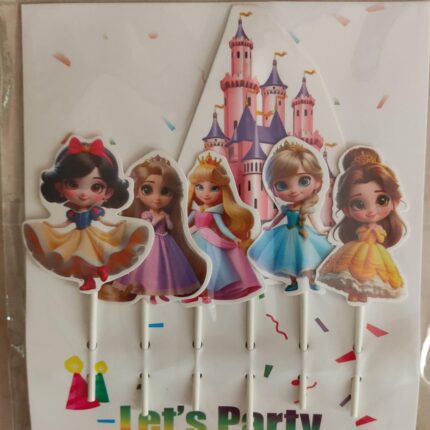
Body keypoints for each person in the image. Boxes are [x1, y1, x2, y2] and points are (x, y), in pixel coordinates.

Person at [23, 136, 148, 291]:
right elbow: (66, 223)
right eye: (73, 184)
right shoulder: (72, 213)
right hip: (75, 236)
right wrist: (52, 227)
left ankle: (100, 271)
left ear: (108, 192)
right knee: (77, 258)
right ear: (59, 187)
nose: (83, 194)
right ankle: (88, 279)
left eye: (96, 187)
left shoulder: (94, 212)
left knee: (99, 253)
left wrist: (116, 225)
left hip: (92, 235)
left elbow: (101, 221)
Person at [103, 155, 206, 303]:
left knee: (167, 268)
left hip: (166, 241)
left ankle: (162, 291)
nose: (157, 197)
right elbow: (148, 227)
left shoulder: (165, 213)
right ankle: (147, 291)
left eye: (165, 191)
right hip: (149, 243)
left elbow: (170, 227)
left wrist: (168, 219)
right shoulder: (145, 214)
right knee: (147, 269)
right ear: (137, 193)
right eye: (147, 189)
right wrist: (159, 218)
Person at [317, 147, 405, 304]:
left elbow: (381, 237)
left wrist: (376, 231)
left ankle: (362, 295)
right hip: (356, 250)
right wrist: (368, 231)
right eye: (358, 204)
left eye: (382, 200)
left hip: (375, 253)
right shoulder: (360, 229)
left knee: (372, 274)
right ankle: (354, 294)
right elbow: (362, 234)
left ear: (395, 202)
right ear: (346, 209)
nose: (371, 211)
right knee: (350, 271)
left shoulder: (379, 229)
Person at [248, 141, 332, 292]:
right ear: (273, 188)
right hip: (286, 234)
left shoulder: (307, 207)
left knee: (308, 257)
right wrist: (270, 225)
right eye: (282, 185)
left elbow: (314, 221)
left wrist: (320, 229)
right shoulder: (286, 207)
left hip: (304, 234)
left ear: (317, 182)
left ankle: (311, 279)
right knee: (288, 260)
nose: (293, 191)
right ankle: (293, 281)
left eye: (303, 181)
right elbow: (279, 217)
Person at [187, 153, 261, 302]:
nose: (206, 193)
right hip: (194, 234)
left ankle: (210, 290)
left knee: (215, 263)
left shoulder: (214, 212)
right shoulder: (195, 210)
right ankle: (197, 290)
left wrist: (234, 238)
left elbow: (222, 228)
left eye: (214, 188)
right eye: (200, 187)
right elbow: (186, 223)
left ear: (223, 190)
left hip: (209, 238)